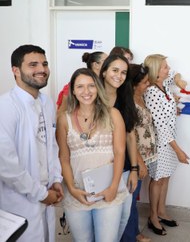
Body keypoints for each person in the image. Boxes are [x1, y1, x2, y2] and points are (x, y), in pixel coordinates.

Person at [0, 44, 63, 241]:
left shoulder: (46, 102)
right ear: (15, 70)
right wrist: (41, 194)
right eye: (33, 64)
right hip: (19, 199)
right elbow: (7, 166)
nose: (41, 69)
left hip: (47, 191)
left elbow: (51, 146)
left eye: (44, 64)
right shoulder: (6, 107)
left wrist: (56, 180)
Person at [57, 68, 128, 241]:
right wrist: (72, 190)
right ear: (73, 90)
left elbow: (120, 152)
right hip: (78, 192)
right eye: (80, 86)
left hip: (108, 190)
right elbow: (63, 157)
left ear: (98, 88)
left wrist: (113, 187)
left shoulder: (113, 114)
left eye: (91, 86)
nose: (86, 91)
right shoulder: (64, 119)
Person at [144, 54, 189, 236]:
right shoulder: (152, 92)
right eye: (164, 66)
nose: (168, 68)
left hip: (170, 141)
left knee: (166, 176)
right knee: (157, 179)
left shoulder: (163, 84)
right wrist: (178, 150)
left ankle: (162, 211)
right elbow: (160, 127)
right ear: (155, 72)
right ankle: (153, 216)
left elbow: (174, 75)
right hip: (161, 144)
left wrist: (178, 81)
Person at [97, 54, 141, 241]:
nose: (119, 76)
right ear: (104, 71)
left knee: (123, 218)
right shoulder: (91, 96)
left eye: (123, 72)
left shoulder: (125, 97)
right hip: (98, 169)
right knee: (103, 221)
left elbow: (130, 135)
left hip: (123, 168)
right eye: (115, 70)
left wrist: (134, 169)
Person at [121, 64, 159, 242]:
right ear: (134, 84)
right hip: (137, 159)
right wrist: (139, 163)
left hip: (147, 156)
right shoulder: (128, 105)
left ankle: (134, 233)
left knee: (133, 199)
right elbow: (130, 137)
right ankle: (131, 235)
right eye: (144, 82)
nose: (148, 85)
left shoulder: (141, 98)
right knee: (130, 202)